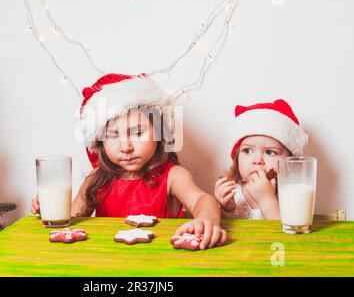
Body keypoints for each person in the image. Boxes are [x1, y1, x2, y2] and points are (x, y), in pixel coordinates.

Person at [32, 73, 227, 249]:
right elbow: (71, 220)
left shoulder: (173, 176)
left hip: (159, 263)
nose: (126, 147)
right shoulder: (96, 179)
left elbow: (202, 199)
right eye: (114, 136)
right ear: (101, 141)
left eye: (138, 133)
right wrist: (50, 211)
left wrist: (206, 219)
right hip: (106, 266)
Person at [214, 99, 309, 220]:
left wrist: (267, 200)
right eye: (247, 151)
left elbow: (287, 235)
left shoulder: (289, 195)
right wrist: (226, 210)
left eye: (270, 152)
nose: (257, 160)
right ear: (237, 156)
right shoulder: (235, 193)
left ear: (289, 161)